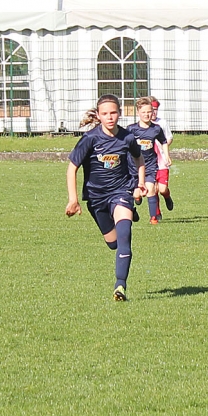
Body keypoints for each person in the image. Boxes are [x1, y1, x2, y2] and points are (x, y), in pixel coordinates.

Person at [66, 94, 146, 301]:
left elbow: (139, 159)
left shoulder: (127, 137)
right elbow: (72, 168)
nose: (110, 117)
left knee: (125, 237)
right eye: (105, 113)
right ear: (99, 116)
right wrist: (73, 199)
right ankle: (128, 213)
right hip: (96, 198)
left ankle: (120, 286)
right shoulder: (90, 139)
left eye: (113, 113)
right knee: (113, 243)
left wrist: (140, 183)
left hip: (121, 192)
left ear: (120, 113)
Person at [127, 97, 170, 224]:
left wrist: (167, 156)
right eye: (143, 112)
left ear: (153, 112)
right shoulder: (131, 129)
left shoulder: (156, 129)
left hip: (150, 165)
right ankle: (136, 200)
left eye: (149, 112)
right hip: (133, 166)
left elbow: (164, 141)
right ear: (138, 113)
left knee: (151, 189)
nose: (146, 114)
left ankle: (153, 218)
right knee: (136, 194)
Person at [150, 97, 174, 217]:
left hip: (162, 161)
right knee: (153, 189)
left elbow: (169, 138)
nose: (153, 112)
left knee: (162, 189)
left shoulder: (162, 123)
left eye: (155, 109)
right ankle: (156, 213)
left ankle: (167, 196)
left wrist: (163, 146)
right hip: (149, 162)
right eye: (151, 109)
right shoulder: (141, 126)